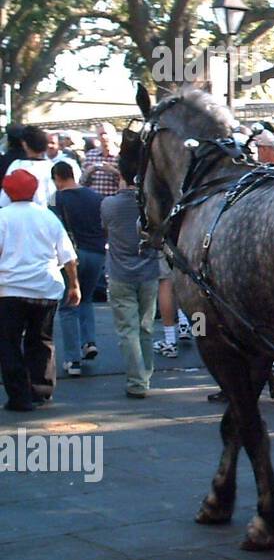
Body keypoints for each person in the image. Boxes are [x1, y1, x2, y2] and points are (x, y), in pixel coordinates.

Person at [0, 170, 78, 411]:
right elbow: (68, 256)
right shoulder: (48, 217)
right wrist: (74, 284)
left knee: (9, 343)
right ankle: (41, 390)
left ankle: (19, 396)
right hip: (46, 287)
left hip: (10, 290)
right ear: (34, 190)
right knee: (42, 340)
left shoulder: (2, 217)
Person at [100, 169, 158, 399]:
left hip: (120, 272)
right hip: (149, 271)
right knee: (146, 327)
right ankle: (146, 374)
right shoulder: (150, 205)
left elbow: (105, 229)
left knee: (128, 330)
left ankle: (137, 381)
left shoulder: (109, 204)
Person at [51, 161, 105, 377]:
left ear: (58, 178)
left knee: (68, 305)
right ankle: (89, 341)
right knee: (87, 299)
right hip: (96, 253)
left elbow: (56, 229)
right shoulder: (95, 197)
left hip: (72, 255)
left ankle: (73, 359)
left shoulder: (58, 199)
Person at [0, 125, 57, 209]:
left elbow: (5, 198)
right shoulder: (51, 166)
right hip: (44, 212)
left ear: (25, 144)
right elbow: (53, 197)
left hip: (16, 212)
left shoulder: (17, 165)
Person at [81, 122, 122, 198]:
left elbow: (127, 183)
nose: (103, 137)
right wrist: (89, 171)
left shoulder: (120, 156)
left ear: (113, 135)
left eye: (106, 133)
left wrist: (113, 171)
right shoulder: (90, 155)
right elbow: (82, 183)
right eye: (101, 134)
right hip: (94, 201)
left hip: (113, 201)